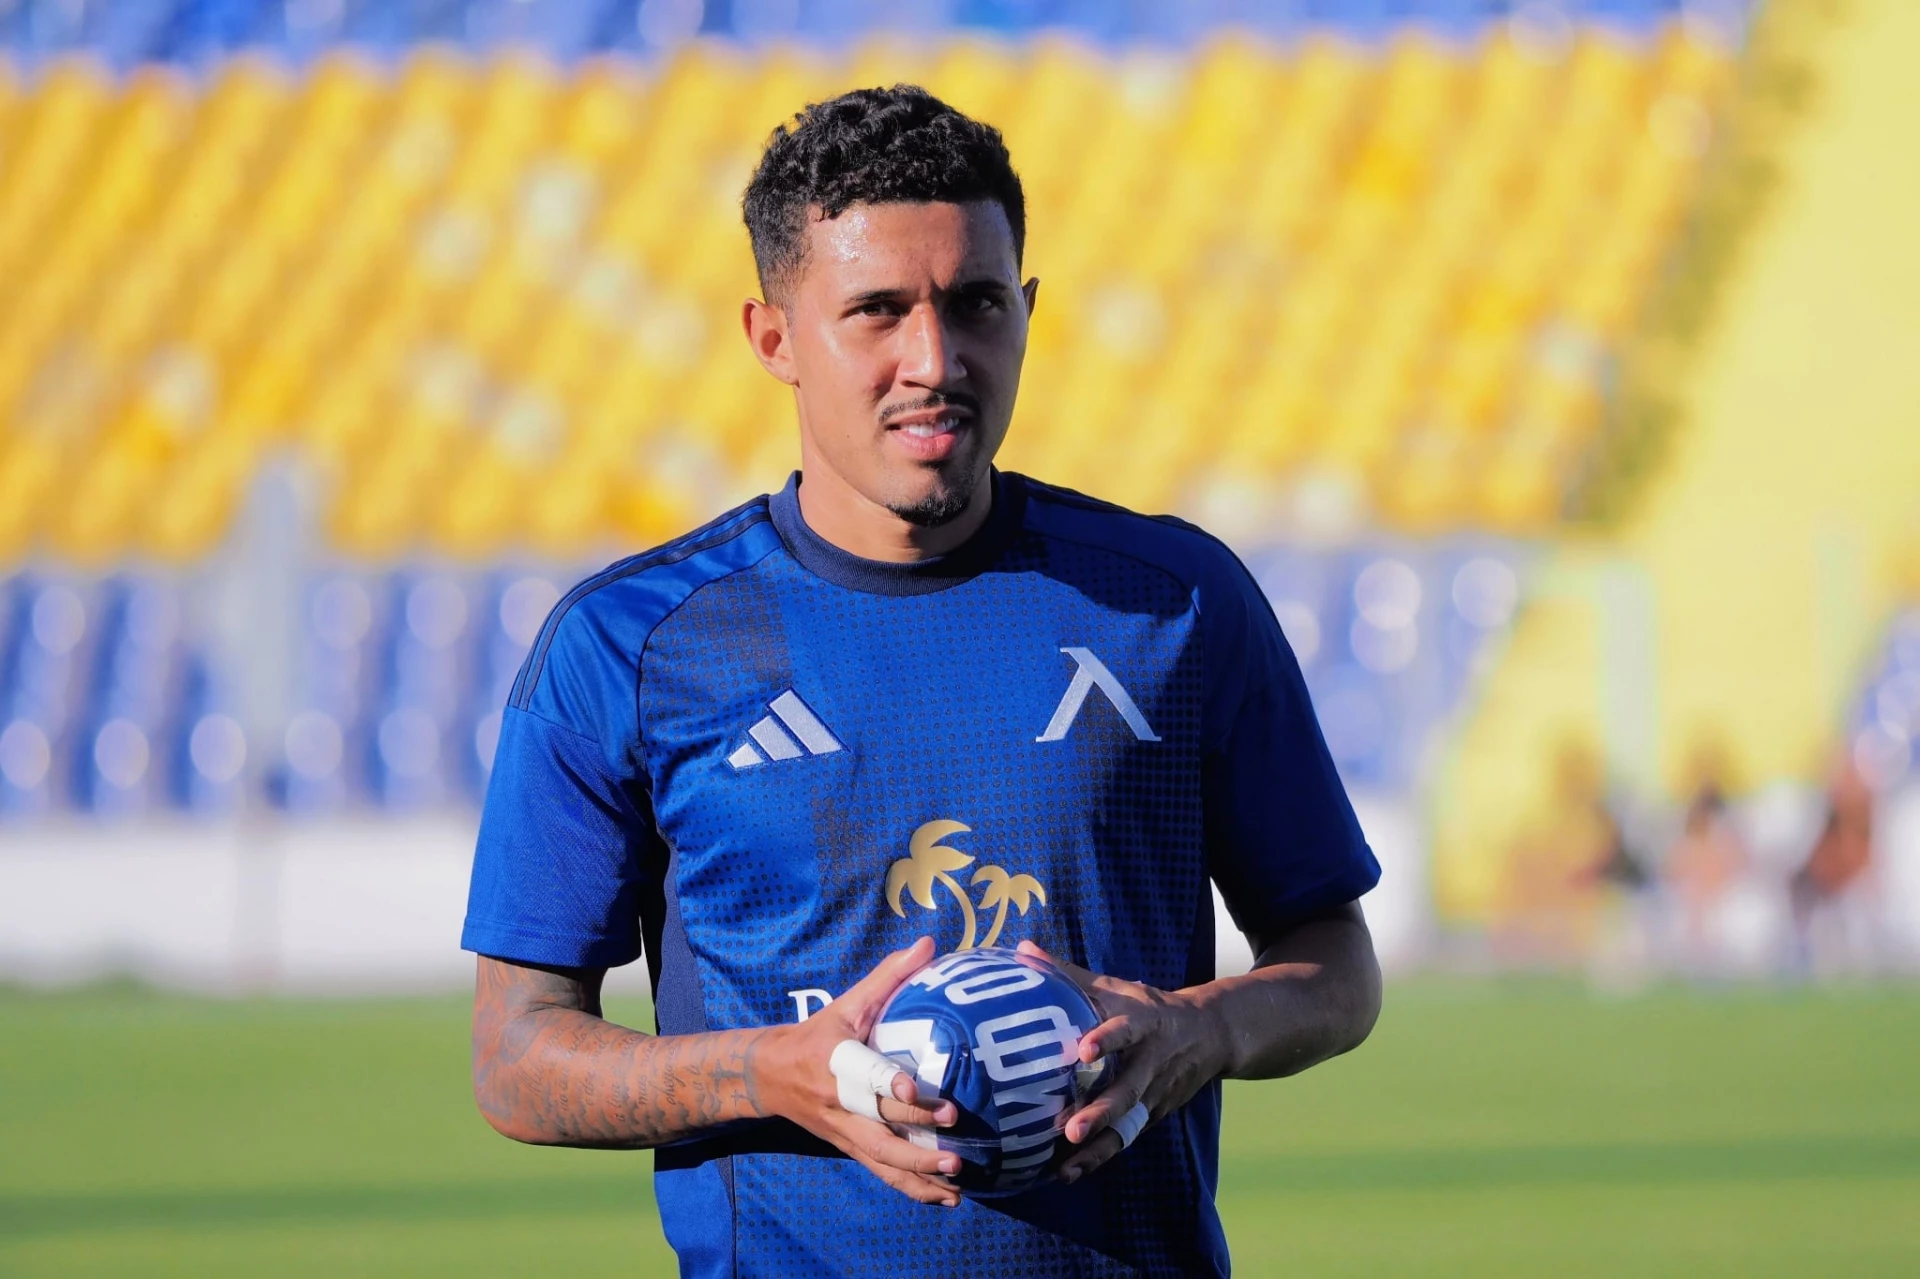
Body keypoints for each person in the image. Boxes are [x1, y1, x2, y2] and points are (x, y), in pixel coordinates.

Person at [462, 85, 1382, 1278]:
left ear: (1028, 313)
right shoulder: (628, 647)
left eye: (976, 304)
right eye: (877, 312)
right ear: (774, 338)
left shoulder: (1177, 601)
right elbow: (515, 1058)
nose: (934, 361)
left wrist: (1195, 1029)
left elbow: (1336, 964)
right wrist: (769, 1073)